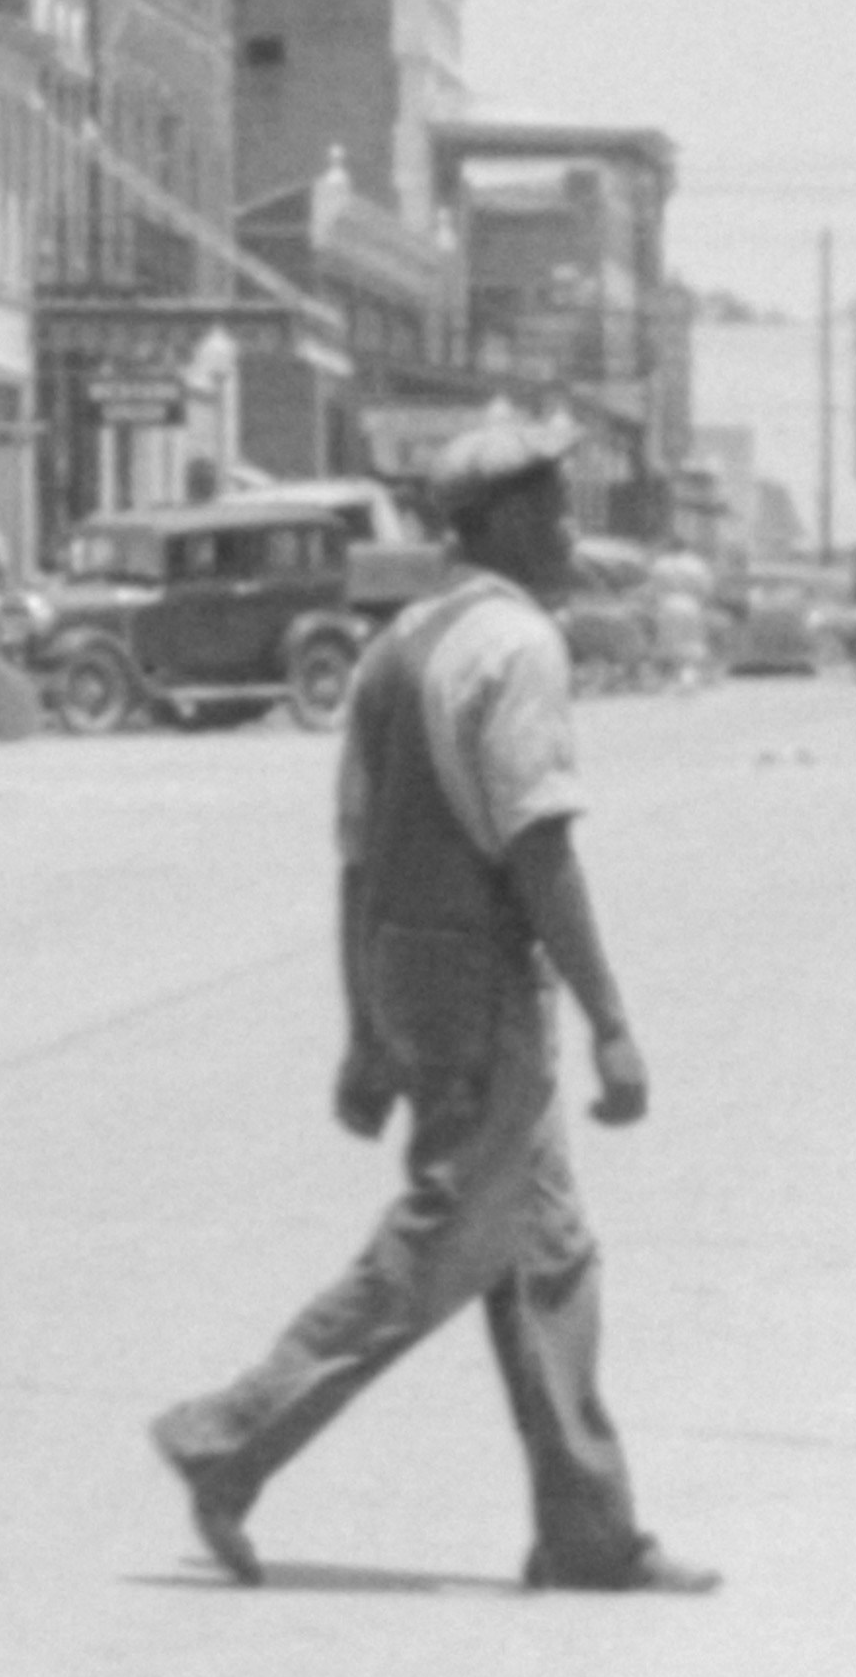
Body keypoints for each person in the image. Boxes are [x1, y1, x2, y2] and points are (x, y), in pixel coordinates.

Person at [151, 412, 709, 1597]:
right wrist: (610, 1020)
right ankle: (226, 1438)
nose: (568, 528)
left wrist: (365, 1024)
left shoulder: (398, 642)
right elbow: (537, 845)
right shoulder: (513, 643)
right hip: (478, 972)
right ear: (499, 520)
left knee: (545, 1250)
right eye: (552, 508)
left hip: (408, 961)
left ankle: (587, 1532)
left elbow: (357, 854)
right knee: (439, 1245)